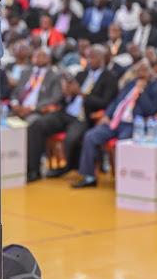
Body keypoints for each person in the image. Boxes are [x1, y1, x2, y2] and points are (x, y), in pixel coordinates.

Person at [71, 59, 157, 188]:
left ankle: (125, 180)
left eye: (144, 70)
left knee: (122, 143)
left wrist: (142, 91)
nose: (141, 74)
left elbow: (150, 110)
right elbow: (117, 101)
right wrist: (107, 115)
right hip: (116, 120)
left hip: (134, 124)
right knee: (90, 136)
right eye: (138, 71)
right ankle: (89, 177)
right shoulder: (131, 83)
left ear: (153, 71)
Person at [29, 45, 118, 181]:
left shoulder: (110, 78)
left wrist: (81, 94)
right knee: (37, 125)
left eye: (93, 57)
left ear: (102, 59)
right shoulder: (81, 74)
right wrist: (68, 94)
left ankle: (67, 167)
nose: (90, 60)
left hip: (84, 117)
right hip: (67, 112)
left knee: (71, 139)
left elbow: (105, 103)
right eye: (88, 57)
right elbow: (69, 97)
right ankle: (34, 171)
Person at [9, 47, 63, 125]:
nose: (40, 58)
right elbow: (15, 92)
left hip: (36, 111)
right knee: (0, 118)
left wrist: (32, 108)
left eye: (44, 56)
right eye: (38, 56)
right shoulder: (25, 72)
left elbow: (54, 98)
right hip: (18, 108)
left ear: (50, 59)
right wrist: (15, 104)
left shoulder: (55, 75)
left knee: (32, 123)